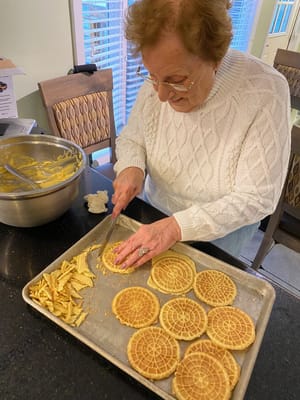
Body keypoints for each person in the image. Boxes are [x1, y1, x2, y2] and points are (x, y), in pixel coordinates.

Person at [111, 0, 291, 269]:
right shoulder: (163, 76)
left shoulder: (265, 91)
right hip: (155, 213)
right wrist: (131, 167)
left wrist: (176, 227)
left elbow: (257, 198)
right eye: (152, 76)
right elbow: (133, 137)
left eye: (177, 80)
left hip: (219, 238)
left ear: (216, 57)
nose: (160, 95)